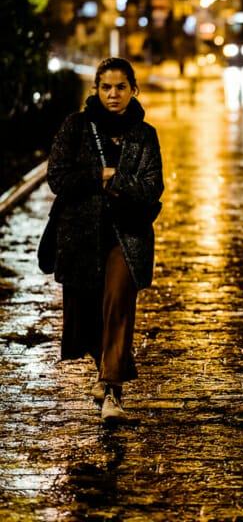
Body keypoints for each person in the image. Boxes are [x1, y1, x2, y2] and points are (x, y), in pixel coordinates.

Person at [46, 57, 164, 422]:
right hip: (80, 237)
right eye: (106, 87)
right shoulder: (76, 127)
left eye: (121, 87)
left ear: (133, 89)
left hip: (127, 236)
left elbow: (152, 188)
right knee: (86, 318)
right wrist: (100, 172)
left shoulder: (145, 134)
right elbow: (58, 178)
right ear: (96, 89)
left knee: (117, 303)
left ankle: (112, 390)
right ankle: (104, 374)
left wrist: (113, 180)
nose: (113, 94)